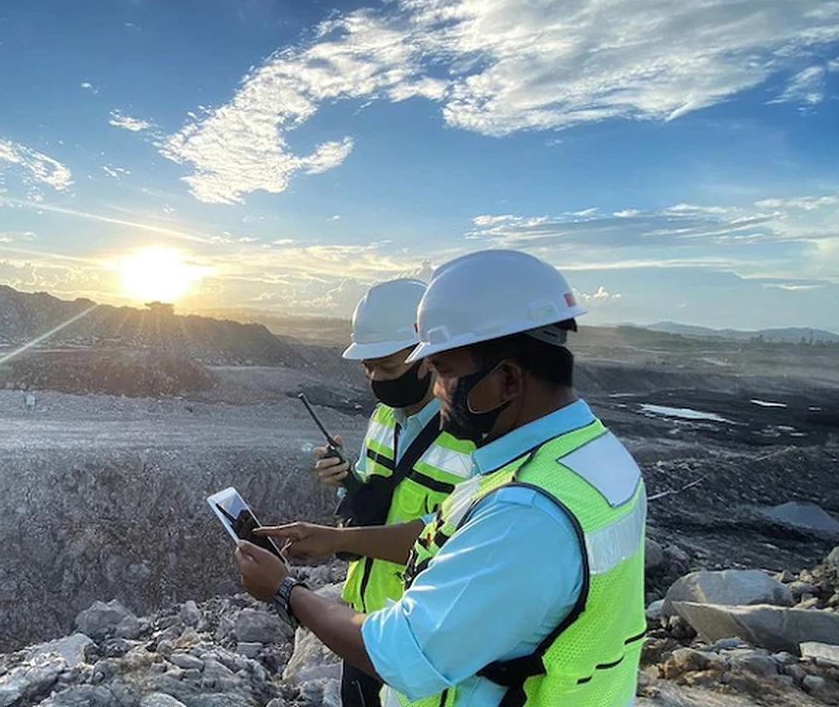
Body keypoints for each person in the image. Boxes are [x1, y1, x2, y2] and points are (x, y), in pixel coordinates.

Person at [238, 250, 647, 707]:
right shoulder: (588, 455)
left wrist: (285, 590)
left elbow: (400, 651)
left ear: (509, 378)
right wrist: (337, 528)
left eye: (444, 371)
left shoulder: (527, 513)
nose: (436, 389)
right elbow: (443, 536)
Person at [313, 278, 477, 707]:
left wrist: (337, 540)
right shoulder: (384, 418)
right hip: (367, 619)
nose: (374, 378)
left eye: (386, 367)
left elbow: (452, 540)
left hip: (422, 633)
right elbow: (373, 499)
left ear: (428, 357)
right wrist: (345, 482)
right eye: (367, 367)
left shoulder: (473, 439)